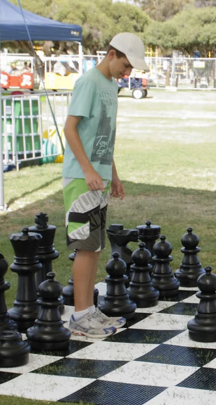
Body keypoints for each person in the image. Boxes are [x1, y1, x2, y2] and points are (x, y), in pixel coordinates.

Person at [63, 33, 150, 338]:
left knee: (95, 247)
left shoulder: (112, 86)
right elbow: (70, 129)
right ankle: (79, 316)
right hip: (81, 178)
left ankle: (88, 310)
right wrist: (87, 170)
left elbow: (105, 136)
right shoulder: (88, 83)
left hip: (98, 178)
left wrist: (113, 174)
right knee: (84, 248)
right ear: (111, 54)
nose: (128, 73)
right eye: (125, 66)